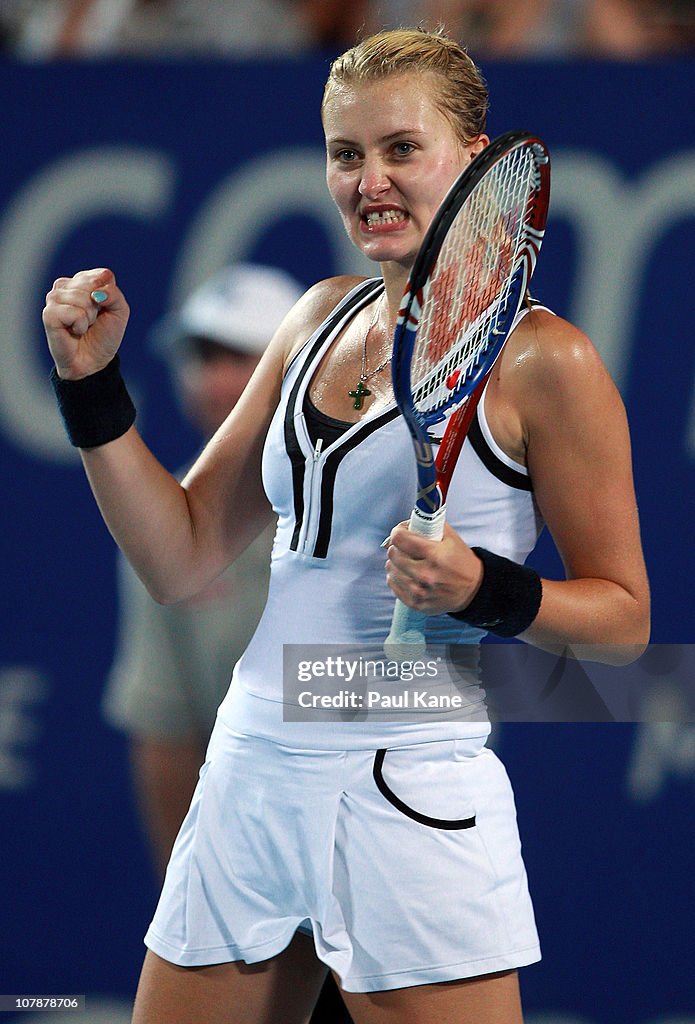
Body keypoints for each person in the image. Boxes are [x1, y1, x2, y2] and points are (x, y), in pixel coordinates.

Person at [42, 27, 650, 1024]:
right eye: (344, 153)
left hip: (406, 785)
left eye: (399, 148)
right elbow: (180, 550)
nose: (369, 178)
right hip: (249, 768)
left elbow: (624, 619)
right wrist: (92, 391)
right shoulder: (313, 317)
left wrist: (483, 589)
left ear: (472, 156)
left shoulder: (549, 363)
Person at [102, 264, 303, 879]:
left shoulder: (372, 492)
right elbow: (165, 732)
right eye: (199, 358)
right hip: (246, 863)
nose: (211, 380)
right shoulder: (159, 519)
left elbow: (449, 694)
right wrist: (189, 887)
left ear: (298, 368)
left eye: (236, 357)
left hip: (384, 843)